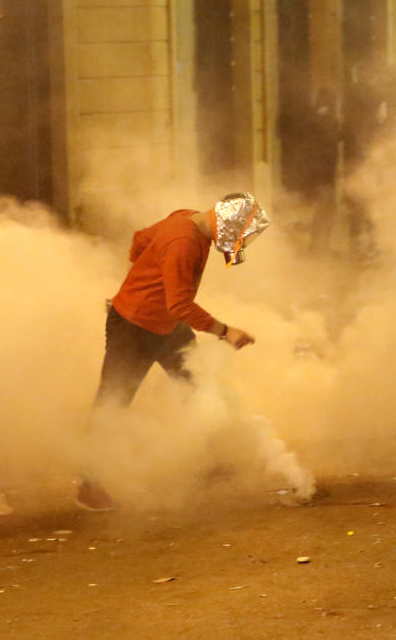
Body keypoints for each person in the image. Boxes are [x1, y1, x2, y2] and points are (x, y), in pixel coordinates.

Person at [76, 192, 271, 511]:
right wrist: (225, 331)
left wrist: (137, 281)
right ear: (224, 225)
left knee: (198, 387)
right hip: (134, 328)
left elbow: (140, 241)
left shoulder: (186, 217)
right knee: (113, 402)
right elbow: (180, 304)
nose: (236, 245)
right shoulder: (184, 241)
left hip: (167, 325)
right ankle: (88, 486)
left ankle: (208, 462)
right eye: (236, 238)